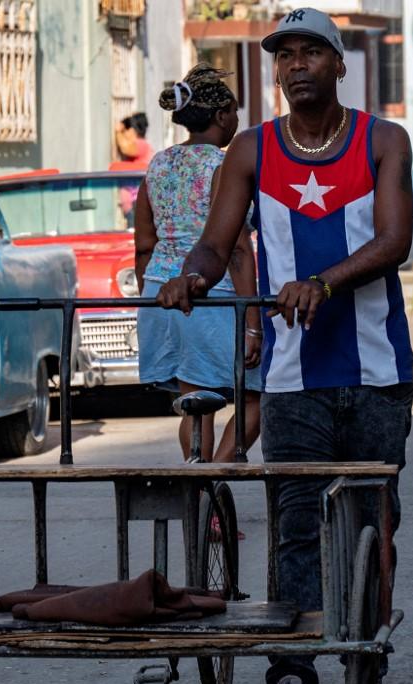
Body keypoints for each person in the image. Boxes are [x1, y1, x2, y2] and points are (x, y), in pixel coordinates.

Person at [157, 8, 413, 684]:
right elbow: (216, 242)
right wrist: (194, 275)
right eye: (285, 56)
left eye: (312, 53)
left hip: (376, 370)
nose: (296, 65)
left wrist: (323, 282)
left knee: (374, 521)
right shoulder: (250, 150)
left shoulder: (381, 140)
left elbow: (396, 239)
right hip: (292, 376)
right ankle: (291, 677)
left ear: (339, 65)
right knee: (296, 524)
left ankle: (368, 661)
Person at [134, 64, 262, 463]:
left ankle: (202, 500)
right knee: (258, 395)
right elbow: (238, 249)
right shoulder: (222, 167)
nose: (237, 122)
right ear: (222, 115)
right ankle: (214, 489)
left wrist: (150, 297)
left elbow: (143, 245)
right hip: (213, 293)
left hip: (162, 291)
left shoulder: (158, 165)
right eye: (235, 113)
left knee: (196, 401)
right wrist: (253, 324)